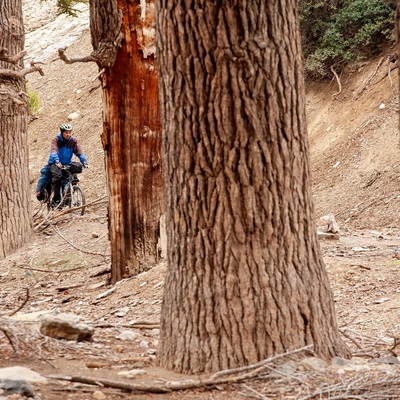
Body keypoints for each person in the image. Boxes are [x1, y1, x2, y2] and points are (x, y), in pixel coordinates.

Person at [45, 123, 88, 205]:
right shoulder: (56, 140)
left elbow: (79, 152)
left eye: (69, 132)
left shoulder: (73, 141)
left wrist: (84, 162)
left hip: (67, 163)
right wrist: (57, 161)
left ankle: (68, 198)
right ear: (62, 133)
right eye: (66, 132)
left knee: (73, 177)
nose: (68, 134)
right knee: (58, 177)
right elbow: (54, 152)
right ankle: (56, 199)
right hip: (55, 163)